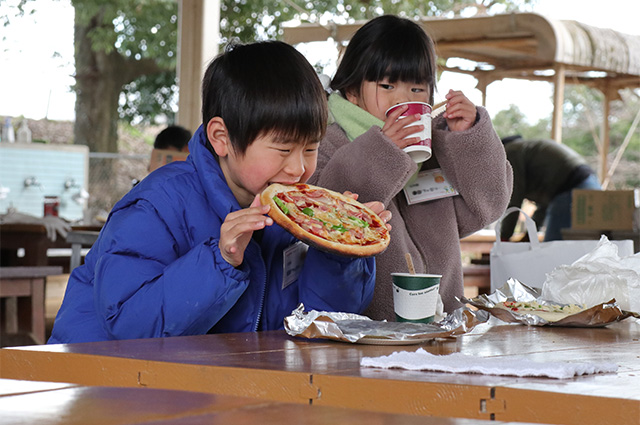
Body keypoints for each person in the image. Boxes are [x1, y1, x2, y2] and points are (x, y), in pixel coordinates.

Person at [49, 41, 390, 344]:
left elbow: (319, 326)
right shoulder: (156, 206)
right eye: (283, 150)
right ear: (221, 138)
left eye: (311, 149)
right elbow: (128, 326)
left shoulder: (289, 214)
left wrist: (339, 252)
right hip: (102, 390)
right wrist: (221, 260)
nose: (299, 169)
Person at [308, 15, 513, 318]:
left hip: (441, 325)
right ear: (352, 90)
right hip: (365, 331)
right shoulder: (325, 140)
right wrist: (383, 151)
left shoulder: (437, 148)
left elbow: (487, 206)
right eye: (388, 86)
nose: (403, 99)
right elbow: (325, 217)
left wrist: (469, 136)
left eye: (417, 90)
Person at [500, 135, 601, 242]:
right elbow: (544, 204)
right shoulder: (527, 150)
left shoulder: (509, 152)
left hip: (572, 186)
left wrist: (504, 237)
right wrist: (530, 235)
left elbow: (514, 197)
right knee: (580, 249)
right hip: (590, 183)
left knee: (553, 249)